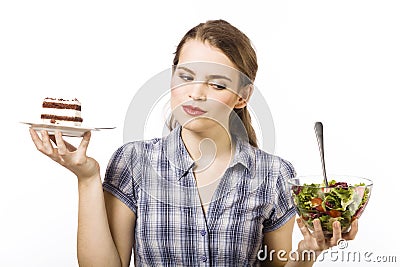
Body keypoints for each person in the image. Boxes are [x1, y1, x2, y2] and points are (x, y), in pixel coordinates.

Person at [29, 20, 358, 267]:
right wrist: (87, 178)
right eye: (186, 77)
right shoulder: (133, 162)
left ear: (242, 96)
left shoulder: (274, 174)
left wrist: (306, 254)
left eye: (216, 84)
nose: (196, 94)